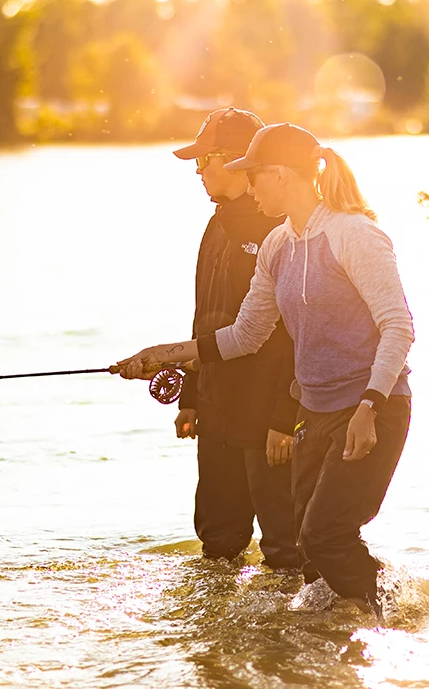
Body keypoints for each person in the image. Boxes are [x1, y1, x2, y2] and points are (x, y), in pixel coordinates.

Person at [118, 123, 414, 617]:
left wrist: (370, 405)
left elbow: (398, 327)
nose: (250, 186)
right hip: (314, 413)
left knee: (325, 536)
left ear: (280, 175)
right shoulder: (279, 243)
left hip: (372, 409)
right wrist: (165, 354)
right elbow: (245, 335)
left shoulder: (354, 234)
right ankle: (342, 639)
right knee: (309, 548)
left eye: (253, 176)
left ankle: (384, 624)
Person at [168, 107, 300, 569]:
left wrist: (286, 416)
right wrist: (191, 396)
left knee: (286, 549)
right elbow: (204, 316)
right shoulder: (214, 223)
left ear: (234, 160)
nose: (198, 172)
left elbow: (299, 333)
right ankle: (216, 636)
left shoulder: (280, 231)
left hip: (267, 418)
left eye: (204, 161)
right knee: (218, 543)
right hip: (216, 407)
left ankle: (291, 636)